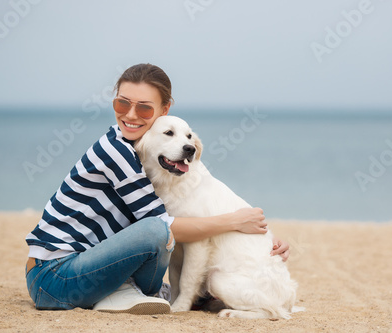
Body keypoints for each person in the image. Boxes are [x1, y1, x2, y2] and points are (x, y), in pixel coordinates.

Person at [25, 63, 290, 315]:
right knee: (156, 229)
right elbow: (166, 227)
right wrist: (235, 222)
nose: (130, 115)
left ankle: (130, 291)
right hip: (54, 276)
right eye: (122, 103)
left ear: (164, 110)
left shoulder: (161, 157)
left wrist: (262, 241)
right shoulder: (116, 151)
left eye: (144, 108)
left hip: (87, 267)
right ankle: (122, 292)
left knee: (160, 234)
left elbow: (213, 198)